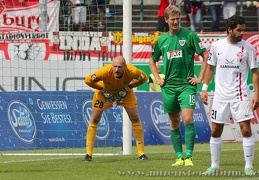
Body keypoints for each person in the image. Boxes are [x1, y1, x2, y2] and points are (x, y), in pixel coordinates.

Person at [149, 5, 208, 167]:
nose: (175, 22)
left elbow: (205, 55)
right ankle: (179, 157)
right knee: (174, 122)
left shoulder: (190, 35)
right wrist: (157, 78)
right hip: (169, 87)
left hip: (186, 86)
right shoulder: (162, 40)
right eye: (172, 19)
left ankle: (189, 157)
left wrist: (200, 78)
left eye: (178, 19)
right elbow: (152, 60)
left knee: (188, 119)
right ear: (166, 20)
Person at [201, 15, 259, 176]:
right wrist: (204, 88)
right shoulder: (216, 46)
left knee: (246, 129)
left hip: (240, 95)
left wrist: (257, 93)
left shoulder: (248, 48)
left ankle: (248, 166)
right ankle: (214, 166)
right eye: (239, 30)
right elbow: (210, 68)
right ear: (229, 29)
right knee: (215, 130)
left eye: (243, 30)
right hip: (220, 96)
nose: (242, 33)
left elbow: (255, 71)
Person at [83, 56, 149, 161]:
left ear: (125, 67)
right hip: (103, 93)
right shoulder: (105, 71)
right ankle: (88, 154)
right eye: (114, 67)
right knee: (95, 118)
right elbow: (87, 80)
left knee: (135, 118)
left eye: (119, 67)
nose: (116, 69)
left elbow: (144, 78)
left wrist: (129, 87)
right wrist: (101, 88)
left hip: (125, 93)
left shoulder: (132, 71)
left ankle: (141, 154)